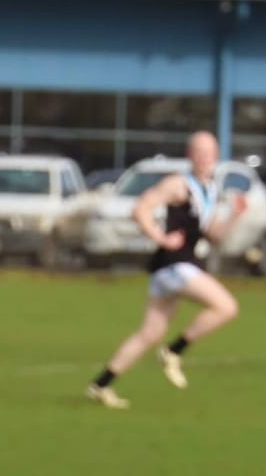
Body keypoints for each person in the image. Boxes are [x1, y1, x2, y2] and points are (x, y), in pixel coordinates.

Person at [86, 131, 246, 409]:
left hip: (171, 269)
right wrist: (160, 238)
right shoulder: (178, 184)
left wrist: (235, 215)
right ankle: (174, 351)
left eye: (209, 154)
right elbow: (141, 209)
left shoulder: (209, 189)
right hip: (175, 265)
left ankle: (101, 384)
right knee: (226, 307)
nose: (205, 159)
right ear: (190, 155)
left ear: (217, 157)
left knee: (149, 333)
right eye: (199, 153)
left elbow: (212, 235)